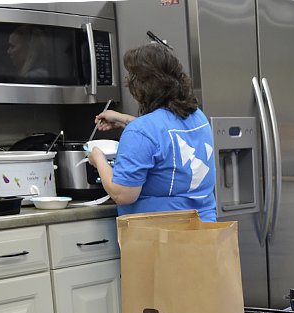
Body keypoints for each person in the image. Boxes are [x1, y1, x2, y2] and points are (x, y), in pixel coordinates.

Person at [89, 43, 216, 220]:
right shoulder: (197, 116)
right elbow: (166, 135)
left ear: (140, 89)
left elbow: (122, 195)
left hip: (163, 238)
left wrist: (98, 158)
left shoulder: (141, 131)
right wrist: (123, 119)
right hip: (205, 232)